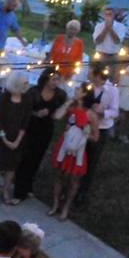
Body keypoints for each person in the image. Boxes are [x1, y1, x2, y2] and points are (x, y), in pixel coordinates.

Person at [13, 69, 68, 200]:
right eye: (53, 79)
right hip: (30, 128)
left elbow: (59, 112)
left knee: (37, 158)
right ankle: (19, 192)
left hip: (46, 130)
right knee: (25, 159)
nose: (56, 82)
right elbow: (24, 110)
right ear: (46, 79)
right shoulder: (34, 92)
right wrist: (36, 114)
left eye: (57, 79)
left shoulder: (60, 95)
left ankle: (28, 185)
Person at [48, 92, 99, 221]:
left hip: (78, 151)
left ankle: (66, 207)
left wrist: (86, 132)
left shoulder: (91, 115)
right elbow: (56, 116)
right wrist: (68, 102)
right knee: (59, 175)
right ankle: (55, 204)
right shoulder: (71, 108)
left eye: (79, 90)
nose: (76, 91)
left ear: (84, 96)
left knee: (73, 180)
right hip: (64, 147)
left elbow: (96, 137)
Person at [76, 62, 119, 205]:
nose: (88, 74)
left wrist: (103, 112)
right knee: (78, 157)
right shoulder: (86, 86)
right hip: (83, 126)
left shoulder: (111, 90)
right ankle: (73, 186)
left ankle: (83, 192)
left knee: (92, 161)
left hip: (101, 128)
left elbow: (115, 111)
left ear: (98, 75)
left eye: (90, 72)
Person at [0, 73, 31, 206]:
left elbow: (25, 123)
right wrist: (5, 139)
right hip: (1, 137)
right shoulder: (4, 98)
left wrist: (17, 141)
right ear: (17, 83)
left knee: (11, 167)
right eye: (25, 83)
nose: (27, 85)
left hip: (17, 138)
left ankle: (6, 191)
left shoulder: (26, 99)